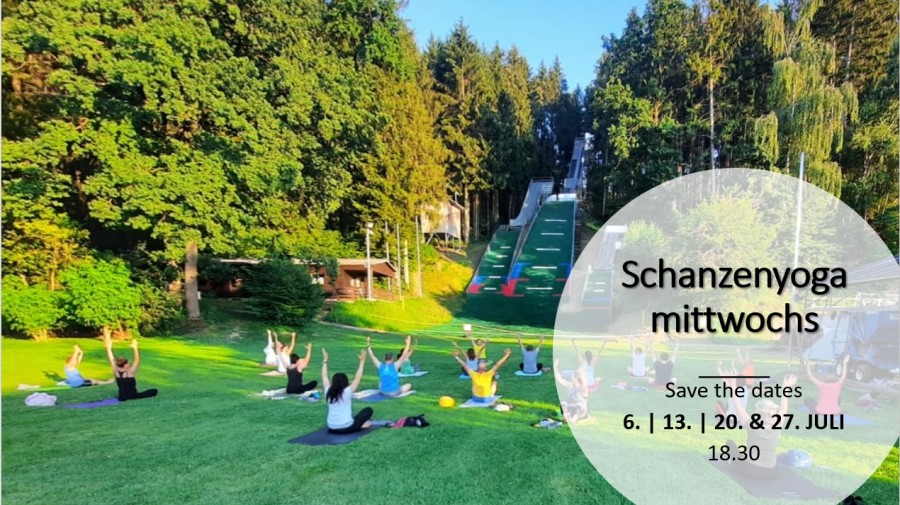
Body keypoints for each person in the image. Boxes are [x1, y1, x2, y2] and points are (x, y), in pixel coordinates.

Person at [722, 369, 798, 478]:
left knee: (730, 443)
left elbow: (737, 406)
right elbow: (783, 409)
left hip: (750, 470)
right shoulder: (777, 425)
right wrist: (786, 387)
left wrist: (733, 384)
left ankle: (731, 464)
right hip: (770, 472)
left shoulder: (751, 425)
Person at [322, 348, 372, 434]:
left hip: (331, 426)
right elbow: (358, 377)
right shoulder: (347, 391)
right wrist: (362, 361)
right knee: (368, 410)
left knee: (361, 420)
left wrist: (325, 360)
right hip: (346, 427)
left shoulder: (328, 391)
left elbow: (324, 376)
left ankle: (358, 425)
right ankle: (359, 426)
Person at [104, 336, 158, 402]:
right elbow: (137, 360)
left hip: (122, 397)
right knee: (154, 391)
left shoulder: (116, 372)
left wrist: (108, 348)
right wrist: (135, 348)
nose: (129, 363)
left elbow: (111, 359)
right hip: (133, 395)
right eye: (127, 363)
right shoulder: (130, 372)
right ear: (124, 366)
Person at [553, 358, 590, 424]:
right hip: (570, 409)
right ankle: (565, 417)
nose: (571, 377)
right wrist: (555, 367)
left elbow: (584, 383)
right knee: (563, 403)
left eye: (573, 376)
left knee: (578, 406)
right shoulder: (570, 385)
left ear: (577, 378)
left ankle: (573, 420)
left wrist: (581, 373)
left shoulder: (582, 388)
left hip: (580, 412)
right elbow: (559, 379)